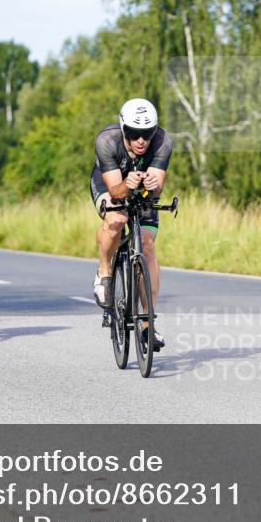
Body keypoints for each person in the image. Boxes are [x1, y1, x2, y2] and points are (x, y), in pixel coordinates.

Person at [90, 98, 173, 351]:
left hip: (141, 190)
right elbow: (115, 191)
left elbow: (158, 188)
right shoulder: (107, 140)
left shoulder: (162, 141)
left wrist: (152, 185)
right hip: (111, 184)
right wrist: (128, 183)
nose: (141, 141)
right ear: (124, 129)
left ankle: (148, 323)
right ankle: (104, 272)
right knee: (116, 219)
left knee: (147, 246)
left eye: (146, 134)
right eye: (134, 134)